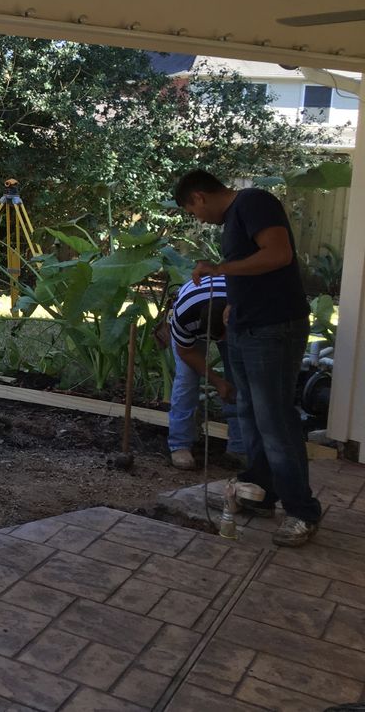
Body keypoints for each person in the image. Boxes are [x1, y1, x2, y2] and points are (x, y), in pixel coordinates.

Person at [175, 169, 321, 547]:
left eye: (192, 211)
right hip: (246, 325)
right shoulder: (236, 218)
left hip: (273, 328)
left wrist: (219, 268)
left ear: (198, 198)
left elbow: (278, 254)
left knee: (275, 420)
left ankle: (302, 511)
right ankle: (261, 493)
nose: (198, 219)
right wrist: (234, 306)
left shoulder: (254, 202)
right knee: (252, 415)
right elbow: (254, 271)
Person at [166, 275, 246, 470]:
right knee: (186, 381)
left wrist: (227, 383)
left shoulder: (243, 306)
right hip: (192, 317)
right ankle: (180, 444)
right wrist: (218, 382)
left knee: (239, 381)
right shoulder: (184, 315)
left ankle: (239, 447)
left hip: (237, 321)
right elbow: (186, 352)